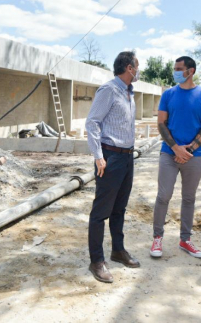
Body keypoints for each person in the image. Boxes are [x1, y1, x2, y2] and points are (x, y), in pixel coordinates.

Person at [150, 56, 201, 259]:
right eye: (175, 68)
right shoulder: (168, 94)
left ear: (191, 71)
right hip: (169, 153)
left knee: (189, 198)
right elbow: (161, 124)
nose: (175, 72)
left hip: (194, 156)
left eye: (179, 68)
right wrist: (176, 148)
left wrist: (189, 149)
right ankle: (157, 238)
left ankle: (185, 240)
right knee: (163, 196)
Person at [85, 51, 141, 283]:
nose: (138, 70)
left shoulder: (129, 92)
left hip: (127, 158)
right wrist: (98, 156)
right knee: (101, 212)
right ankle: (96, 260)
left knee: (120, 208)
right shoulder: (109, 90)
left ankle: (118, 250)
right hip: (110, 157)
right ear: (129, 68)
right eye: (137, 66)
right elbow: (92, 122)